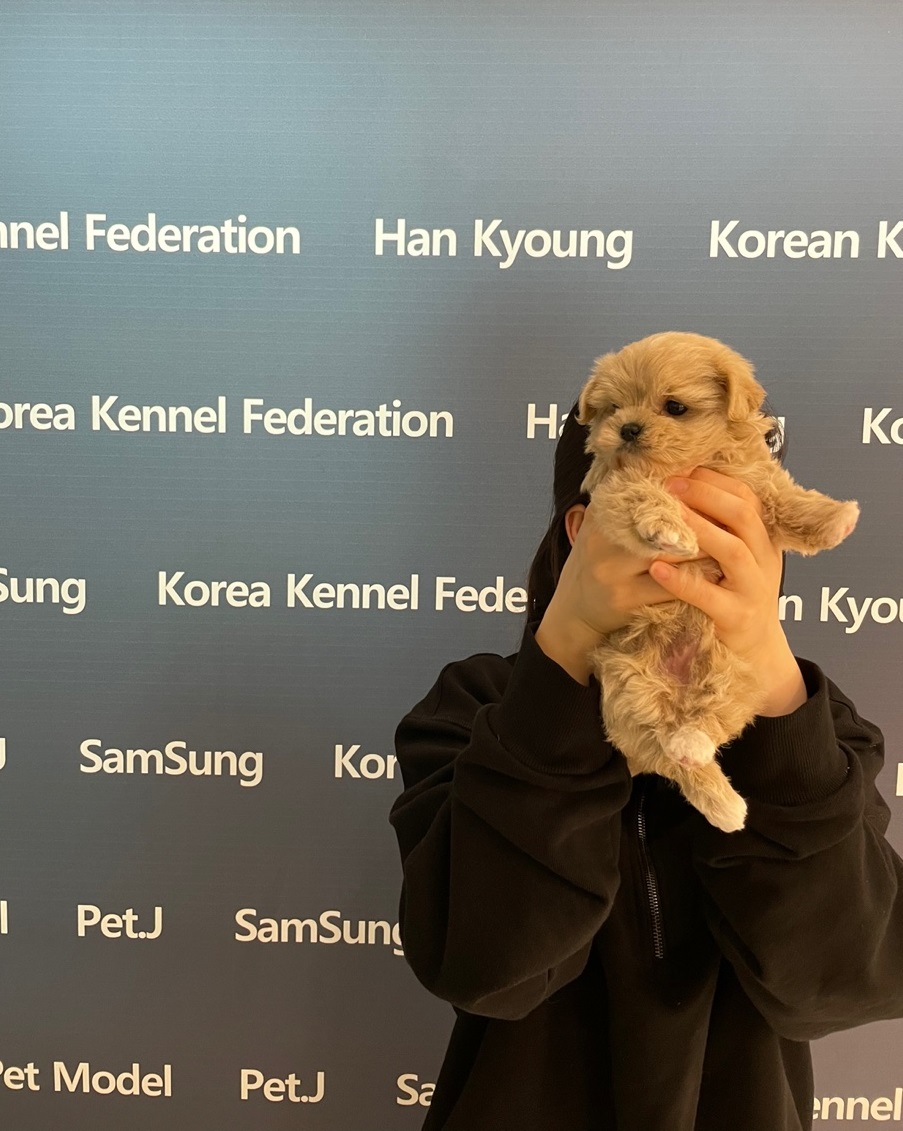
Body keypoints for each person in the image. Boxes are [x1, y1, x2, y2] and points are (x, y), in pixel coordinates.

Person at [388, 402, 903, 1131]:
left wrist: (768, 677)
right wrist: (564, 654)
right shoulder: (478, 705)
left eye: (727, 522)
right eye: (670, 512)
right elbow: (485, 969)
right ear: (583, 529)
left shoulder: (808, 725)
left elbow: (840, 982)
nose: (689, 548)